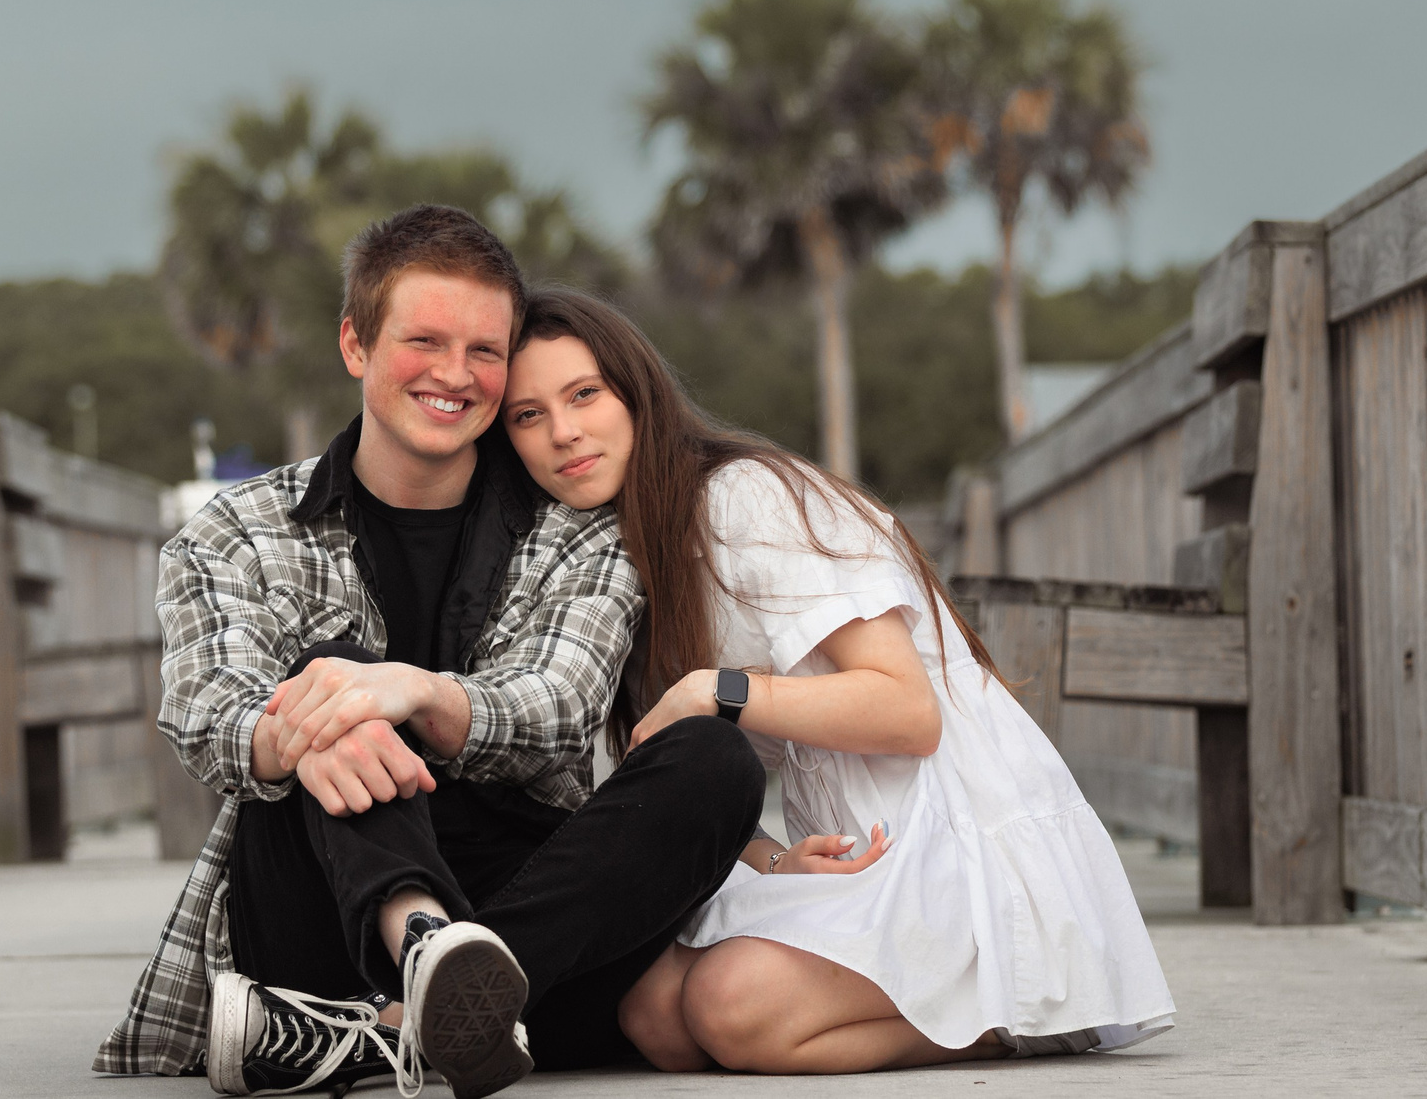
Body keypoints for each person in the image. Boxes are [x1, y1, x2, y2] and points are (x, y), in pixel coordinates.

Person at [94, 207, 766, 1098]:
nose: (456, 375)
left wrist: (413, 693)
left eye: (485, 351)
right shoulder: (235, 532)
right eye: (425, 341)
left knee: (716, 758)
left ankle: (400, 1029)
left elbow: (559, 706)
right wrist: (319, 716)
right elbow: (205, 714)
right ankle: (420, 949)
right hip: (311, 920)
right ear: (355, 345)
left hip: (527, 927)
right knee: (326, 682)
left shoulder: (577, 534)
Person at [500, 287, 1177, 1075]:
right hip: (853, 848)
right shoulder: (615, 562)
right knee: (654, 1014)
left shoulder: (745, 497)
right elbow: (688, 793)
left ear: (638, 392)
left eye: (585, 394)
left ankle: (1019, 1004)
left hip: (951, 837)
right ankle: (962, 1000)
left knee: (731, 1005)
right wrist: (774, 860)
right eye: (528, 415)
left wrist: (714, 689)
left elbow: (906, 710)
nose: (564, 432)